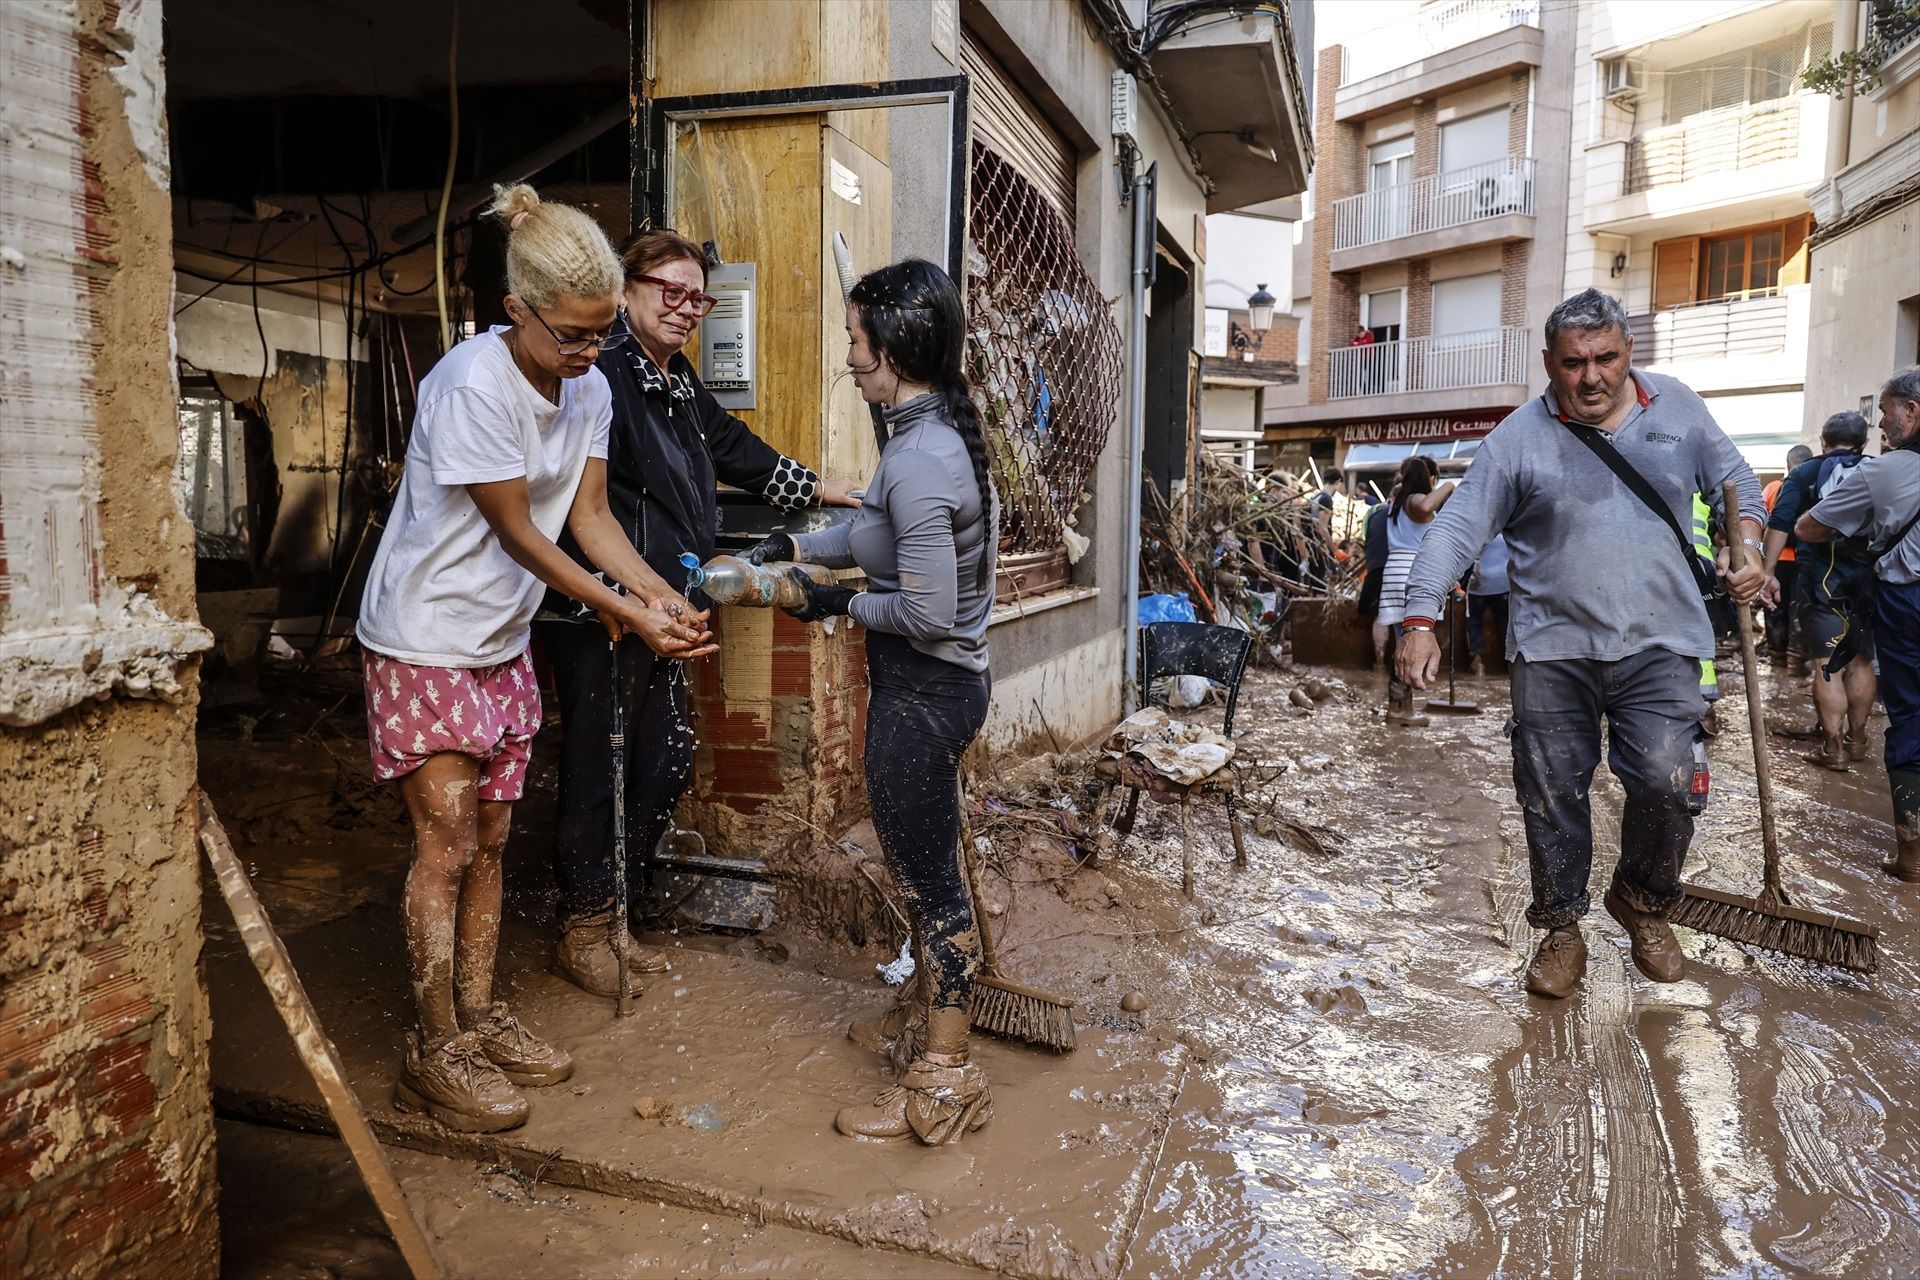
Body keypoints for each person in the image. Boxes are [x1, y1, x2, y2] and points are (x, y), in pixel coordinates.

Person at [354, 185, 715, 1132]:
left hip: (500, 642)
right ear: (515, 310)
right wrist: (623, 612)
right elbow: (518, 532)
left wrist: (661, 596)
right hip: (426, 638)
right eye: (572, 335)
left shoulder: (591, 386)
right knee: (446, 844)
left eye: (602, 336)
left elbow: (589, 518)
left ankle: (479, 1015)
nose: (591, 354)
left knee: (496, 842)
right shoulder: (470, 384)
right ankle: (433, 1048)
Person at [1396, 288, 1766, 998]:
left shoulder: (1679, 408)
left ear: (1629, 354)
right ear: (1548, 364)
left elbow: (1736, 482)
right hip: (1552, 649)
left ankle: (1642, 900)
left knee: (1667, 781)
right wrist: (1419, 620)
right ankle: (1562, 930)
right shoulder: (1517, 439)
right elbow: (1455, 528)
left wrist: (1745, 545)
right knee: (1550, 791)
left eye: (1606, 359)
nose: (1591, 376)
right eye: (1574, 363)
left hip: (1662, 643)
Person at [533, 229, 860, 996]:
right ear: (627, 289)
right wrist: (632, 595)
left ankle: (617, 917)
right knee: (599, 765)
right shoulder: (598, 375)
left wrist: (821, 489)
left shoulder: (676, 383)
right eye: (668, 291)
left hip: (669, 607)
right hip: (601, 606)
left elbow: (736, 449)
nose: (685, 309)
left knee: (664, 759)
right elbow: (579, 508)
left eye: (698, 297)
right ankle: (581, 929)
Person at [744, 258, 997, 1145]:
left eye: (855, 340)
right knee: (931, 872)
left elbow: (925, 611)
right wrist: (797, 543)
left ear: (890, 349)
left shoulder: (921, 458)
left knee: (930, 888)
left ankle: (945, 1076)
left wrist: (833, 599)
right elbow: (876, 531)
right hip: (935, 689)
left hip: (924, 692)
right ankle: (931, 1024)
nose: (848, 357)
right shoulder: (924, 441)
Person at [1796, 368, 1920, 881]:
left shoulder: (1886, 473)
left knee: (1912, 714)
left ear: (1912, 412)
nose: (1882, 425)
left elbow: (1808, 525)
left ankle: (1912, 856)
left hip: (1906, 600)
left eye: (1887, 411)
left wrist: (1863, 527)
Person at [1763, 413, 1876, 769]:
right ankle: (1857, 741)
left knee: (1827, 663)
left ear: (1823, 442)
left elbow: (1780, 523)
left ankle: (1833, 749)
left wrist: (1767, 573)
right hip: (1868, 582)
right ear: (1863, 442)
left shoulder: (1805, 473)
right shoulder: (1878, 470)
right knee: (1860, 659)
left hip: (1820, 583)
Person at [1377, 455, 1455, 725]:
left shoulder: (1396, 502)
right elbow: (1425, 505)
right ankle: (1399, 709)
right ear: (1428, 478)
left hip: (1396, 573)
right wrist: (1449, 486)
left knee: (1402, 643)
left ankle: (1401, 707)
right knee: (1408, 646)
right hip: (1412, 574)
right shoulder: (1414, 501)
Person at [1762, 443, 1814, 665]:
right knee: (1800, 607)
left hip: (1778, 558)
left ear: (1788, 465)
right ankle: (1798, 659)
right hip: (1806, 559)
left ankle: (1777, 656)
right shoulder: (1818, 485)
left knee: (1775, 606)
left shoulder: (1774, 487)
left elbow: (1763, 519)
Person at [1464, 533, 1509, 677]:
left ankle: (1477, 662)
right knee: (1505, 623)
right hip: (1503, 583)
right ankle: (1510, 662)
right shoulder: (1508, 534)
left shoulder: (1476, 533)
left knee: (1473, 623)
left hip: (1478, 583)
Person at [1357, 493, 1392, 665]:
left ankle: (1379, 661)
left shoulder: (1375, 514)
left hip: (1375, 571)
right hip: (1400, 569)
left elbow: (1367, 541)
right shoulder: (1409, 513)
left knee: (1380, 616)